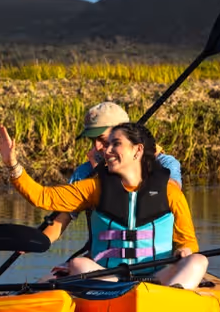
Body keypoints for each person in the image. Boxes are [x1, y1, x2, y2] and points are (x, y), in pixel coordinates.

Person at [0, 121, 209, 288]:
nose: (106, 151)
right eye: (108, 145)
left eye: (116, 144)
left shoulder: (169, 191)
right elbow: (42, 197)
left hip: (158, 278)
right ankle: (110, 299)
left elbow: (188, 243)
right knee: (79, 264)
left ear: (137, 150)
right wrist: (13, 166)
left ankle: (173, 301)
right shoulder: (94, 187)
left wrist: (184, 251)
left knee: (198, 261)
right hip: (110, 280)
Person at [42, 100, 182, 245]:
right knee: (71, 266)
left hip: (156, 255)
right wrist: (39, 242)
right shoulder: (85, 172)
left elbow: (170, 193)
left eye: (102, 139)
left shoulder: (166, 164)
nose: (97, 147)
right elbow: (63, 217)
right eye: (92, 140)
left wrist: (110, 175)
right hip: (105, 254)